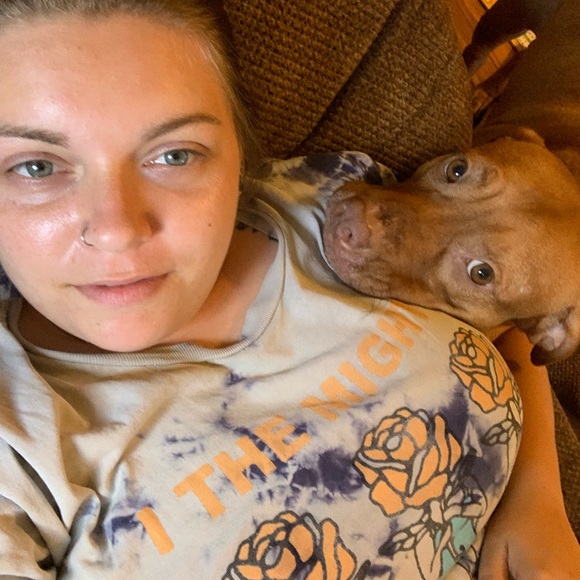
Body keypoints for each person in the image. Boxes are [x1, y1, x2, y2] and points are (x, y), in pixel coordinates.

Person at [0, 0, 577, 578]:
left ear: (241, 153)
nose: (117, 231)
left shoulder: (326, 192)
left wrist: (537, 493)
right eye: (35, 167)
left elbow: (509, 323)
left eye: (175, 155)